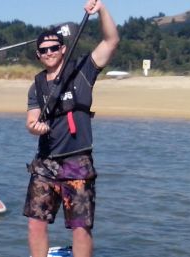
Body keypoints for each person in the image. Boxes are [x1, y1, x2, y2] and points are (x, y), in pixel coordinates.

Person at [23, 0, 119, 256]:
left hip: (78, 162)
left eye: (54, 47)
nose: (49, 52)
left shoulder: (83, 70)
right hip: (45, 163)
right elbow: (31, 120)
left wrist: (101, 10)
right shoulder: (37, 86)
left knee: (80, 228)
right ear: (38, 55)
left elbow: (111, 41)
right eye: (43, 50)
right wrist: (35, 128)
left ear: (63, 49)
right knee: (35, 223)